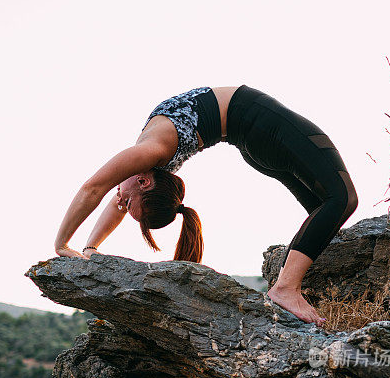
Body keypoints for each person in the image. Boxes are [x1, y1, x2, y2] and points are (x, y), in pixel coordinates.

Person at [54, 85, 358, 326]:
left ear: (145, 183)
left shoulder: (149, 153)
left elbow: (93, 188)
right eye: (124, 201)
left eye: (125, 201)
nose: (119, 199)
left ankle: (301, 283)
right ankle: (285, 288)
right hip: (256, 124)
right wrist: (89, 249)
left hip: (252, 131)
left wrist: (63, 243)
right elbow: (112, 197)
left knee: (326, 208)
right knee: (340, 199)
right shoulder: (150, 162)